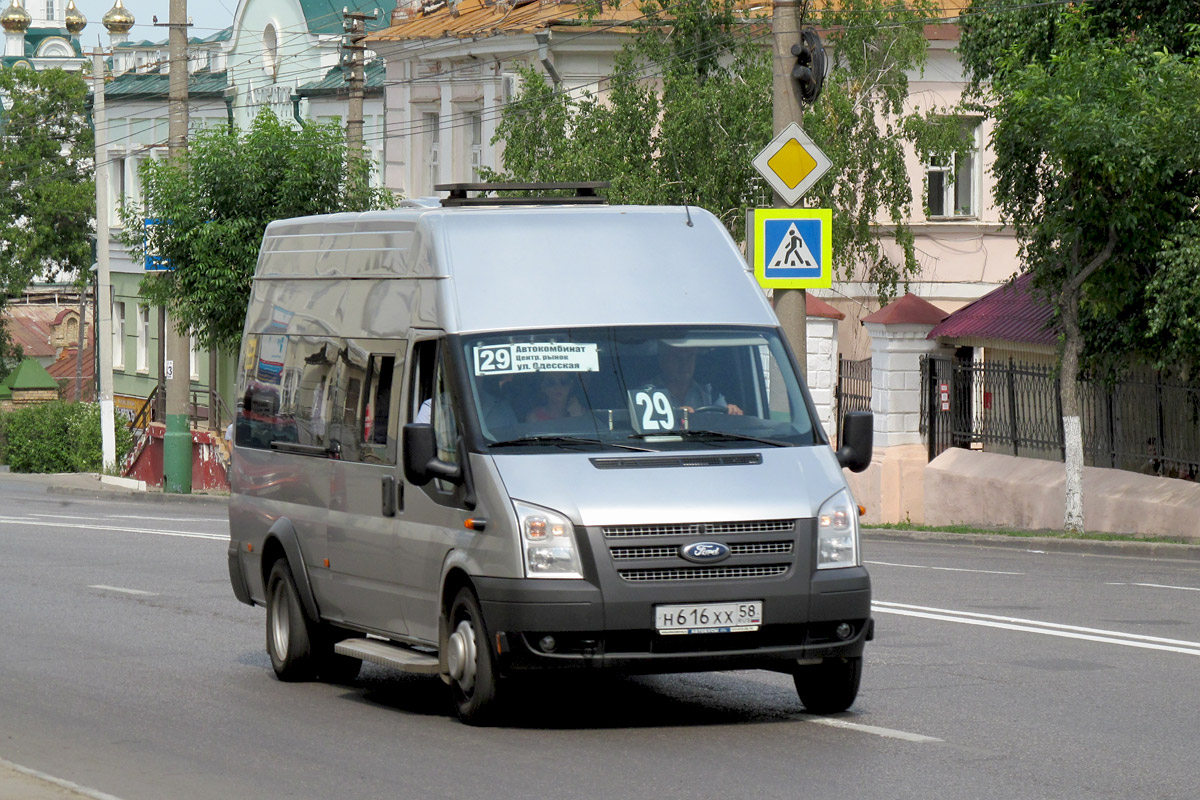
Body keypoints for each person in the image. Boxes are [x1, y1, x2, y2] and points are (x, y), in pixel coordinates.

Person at [655, 342, 743, 415]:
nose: (684, 363)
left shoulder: (711, 394)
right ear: (662, 359)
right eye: (677, 357)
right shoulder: (647, 394)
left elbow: (725, 427)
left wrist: (733, 414)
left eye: (690, 356)